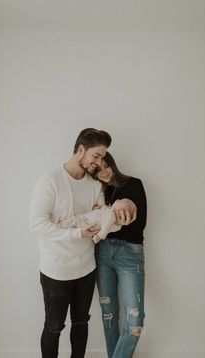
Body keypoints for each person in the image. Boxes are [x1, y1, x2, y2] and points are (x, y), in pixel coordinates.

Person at [30, 128, 116, 358]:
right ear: (80, 150)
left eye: (103, 157)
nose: (99, 162)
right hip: (56, 270)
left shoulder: (95, 185)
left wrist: (89, 224)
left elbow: (98, 218)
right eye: (96, 156)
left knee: (81, 323)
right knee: (54, 326)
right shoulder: (50, 181)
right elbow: (37, 224)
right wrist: (76, 233)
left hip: (86, 268)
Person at [94, 152, 147, 358]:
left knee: (135, 321)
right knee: (109, 314)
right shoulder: (97, 191)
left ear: (113, 164)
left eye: (106, 166)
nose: (104, 172)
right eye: (97, 170)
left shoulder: (134, 184)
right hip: (102, 253)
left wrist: (114, 219)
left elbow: (140, 224)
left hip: (129, 254)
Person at [54, 198, 137, 243]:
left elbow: (106, 227)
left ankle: (61, 224)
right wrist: (99, 208)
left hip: (88, 221)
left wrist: (100, 236)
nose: (117, 211)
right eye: (119, 207)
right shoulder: (110, 212)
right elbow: (107, 222)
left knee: (75, 220)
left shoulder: (112, 214)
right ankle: (62, 225)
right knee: (75, 223)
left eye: (123, 212)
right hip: (91, 224)